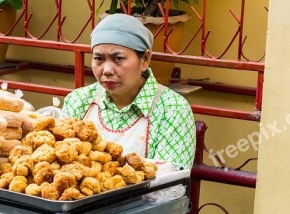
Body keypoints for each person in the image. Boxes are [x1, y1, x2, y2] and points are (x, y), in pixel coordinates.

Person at [63, 13, 196, 169]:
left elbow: (170, 184)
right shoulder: (79, 100)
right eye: (98, 58)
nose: (107, 70)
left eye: (118, 58)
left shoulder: (173, 110)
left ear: (145, 59)